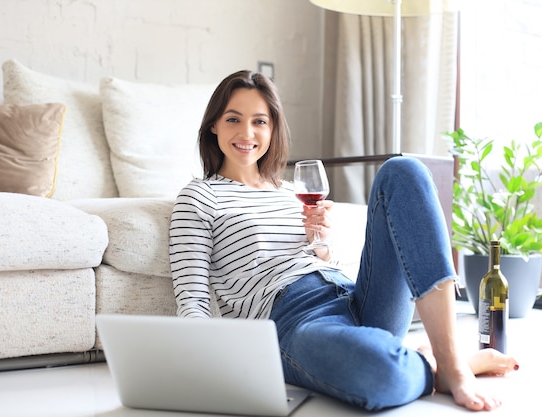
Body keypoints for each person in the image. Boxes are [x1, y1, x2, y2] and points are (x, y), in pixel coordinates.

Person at [169, 70, 519, 412]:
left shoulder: (292, 192)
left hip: (351, 295)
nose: (247, 132)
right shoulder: (200, 196)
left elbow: (325, 263)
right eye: (233, 119)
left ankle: (451, 362)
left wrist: (319, 240)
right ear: (213, 124)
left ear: (273, 129)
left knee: (404, 170)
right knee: (382, 375)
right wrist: (208, 366)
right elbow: (192, 298)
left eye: (260, 121)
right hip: (290, 322)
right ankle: (434, 367)